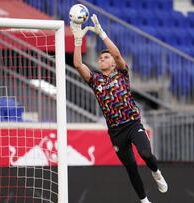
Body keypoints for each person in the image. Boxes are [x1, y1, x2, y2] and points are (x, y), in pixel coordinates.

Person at [70, 15, 168, 203]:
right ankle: (144, 200)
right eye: (100, 58)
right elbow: (77, 64)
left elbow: (117, 55)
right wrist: (77, 39)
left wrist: (102, 34)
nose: (102, 59)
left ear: (113, 63)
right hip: (116, 131)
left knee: (146, 154)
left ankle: (156, 172)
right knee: (131, 167)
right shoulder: (95, 80)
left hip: (132, 124)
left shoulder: (122, 74)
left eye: (105, 57)